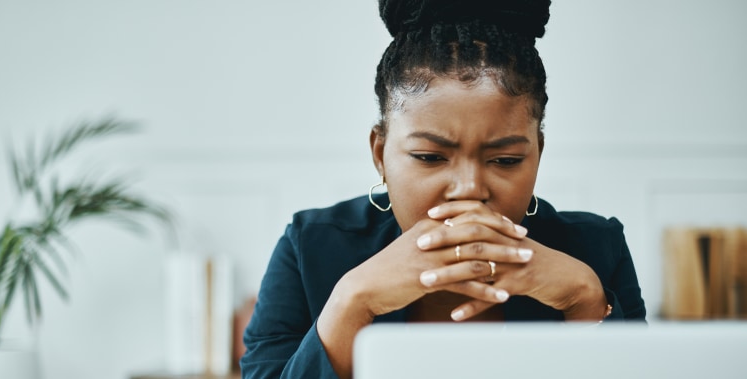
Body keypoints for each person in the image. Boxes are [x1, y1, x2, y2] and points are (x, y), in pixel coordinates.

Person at [241, 0, 646, 377]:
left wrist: (585, 301)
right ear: (380, 154)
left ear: (537, 154)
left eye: (505, 161)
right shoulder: (310, 248)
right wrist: (352, 302)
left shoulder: (597, 249)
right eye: (430, 157)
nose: (469, 190)